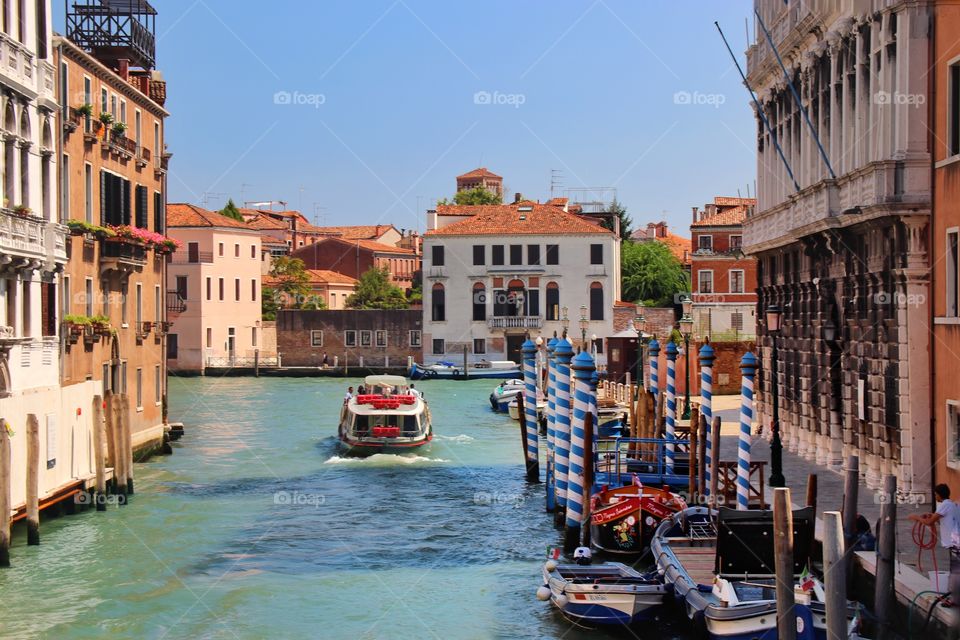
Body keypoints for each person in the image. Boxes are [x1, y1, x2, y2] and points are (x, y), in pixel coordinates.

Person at [909, 483, 960, 609]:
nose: (935, 496)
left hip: (955, 543)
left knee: (955, 572)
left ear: (938, 495)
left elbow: (929, 522)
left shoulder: (944, 505)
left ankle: (955, 600)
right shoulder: (952, 505)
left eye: (935, 494)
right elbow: (939, 518)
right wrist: (931, 515)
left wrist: (916, 517)